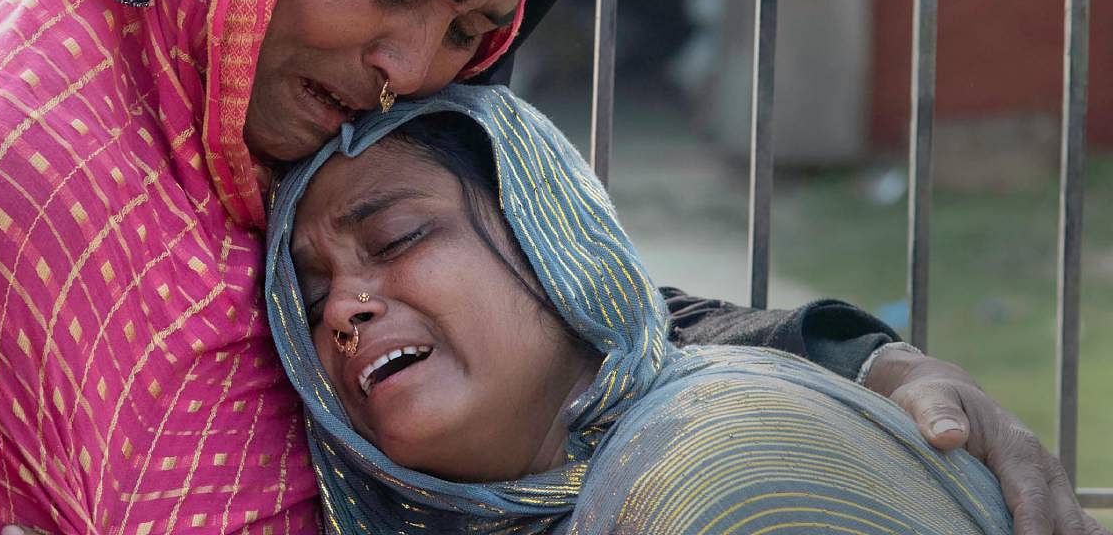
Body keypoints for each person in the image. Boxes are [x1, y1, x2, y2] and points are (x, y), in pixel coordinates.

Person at [0, 0, 1093, 533]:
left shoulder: (234, 90)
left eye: (467, 35)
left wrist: (852, 360)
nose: (405, 66)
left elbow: (539, 292)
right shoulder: (9, 182)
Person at [263, 84, 1015, 533]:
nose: (342, 313)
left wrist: (871, 360)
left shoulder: (707, 473)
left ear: (553, 239)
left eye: (396, 239)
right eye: (313, 298)